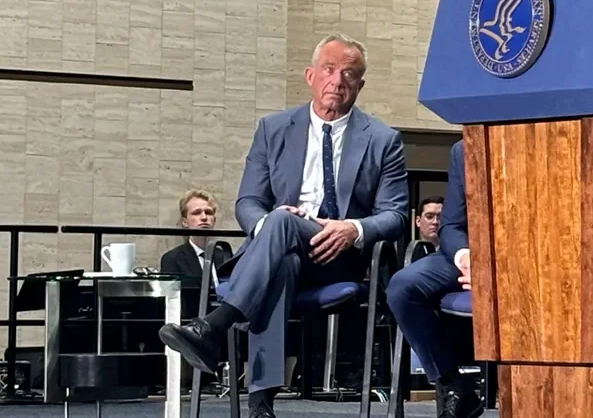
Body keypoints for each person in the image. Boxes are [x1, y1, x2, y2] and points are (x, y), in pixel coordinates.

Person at [158, 33, 410, 418]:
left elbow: (395, 214)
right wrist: (269, 230)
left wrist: (352, 229)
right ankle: (261, 406)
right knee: (280, 251)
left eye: (349, 73)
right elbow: (248, 202)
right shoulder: (273, 129)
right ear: (310, 75)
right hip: (283, 250)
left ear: (360, 84)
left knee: (280, 224)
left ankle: (217, 325)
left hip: (340, 255)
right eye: (328, 70)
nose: (337, 81)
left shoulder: (382, 139)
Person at [385, 141, 482, 418]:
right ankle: (453, 383)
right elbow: (451, 224)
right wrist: (466, 258)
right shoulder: (462, 150)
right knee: (404, 286)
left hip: (530, 253)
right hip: (470, 254)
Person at [160, 188, 234, 316]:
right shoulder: (172, 259)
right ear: (184, 222)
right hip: (191, 323)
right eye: (197, 213)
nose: (204, 217)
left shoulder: (226, 256)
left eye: (208, 213)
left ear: (214, 220)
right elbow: (173, 305)